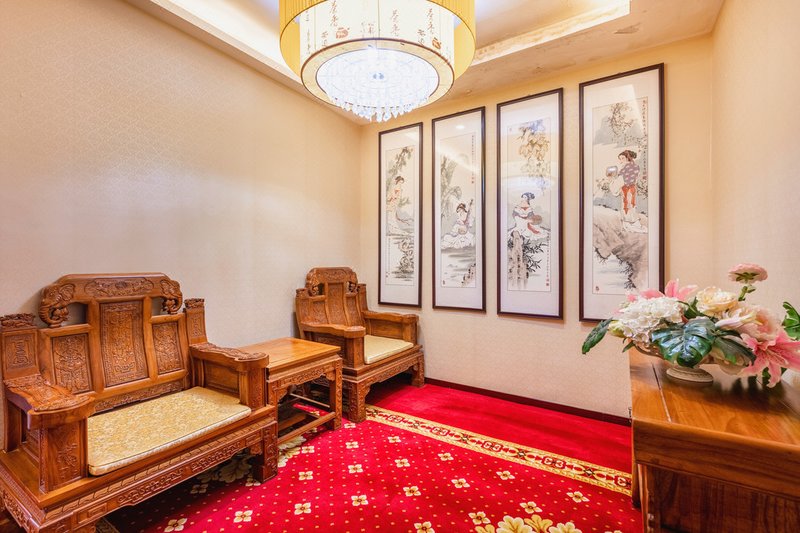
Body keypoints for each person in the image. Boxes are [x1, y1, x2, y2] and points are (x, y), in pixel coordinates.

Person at [618, 150, 639, 215]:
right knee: (631, 202)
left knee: (626, 202)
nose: (621, 160)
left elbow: (620, 174)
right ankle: (630, 216)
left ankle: (627, 216)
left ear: (627, 158)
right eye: (620, 159)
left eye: (623, 158)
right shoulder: (635, 166)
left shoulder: (626, 166)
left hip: (627, 187)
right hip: (632, 187)